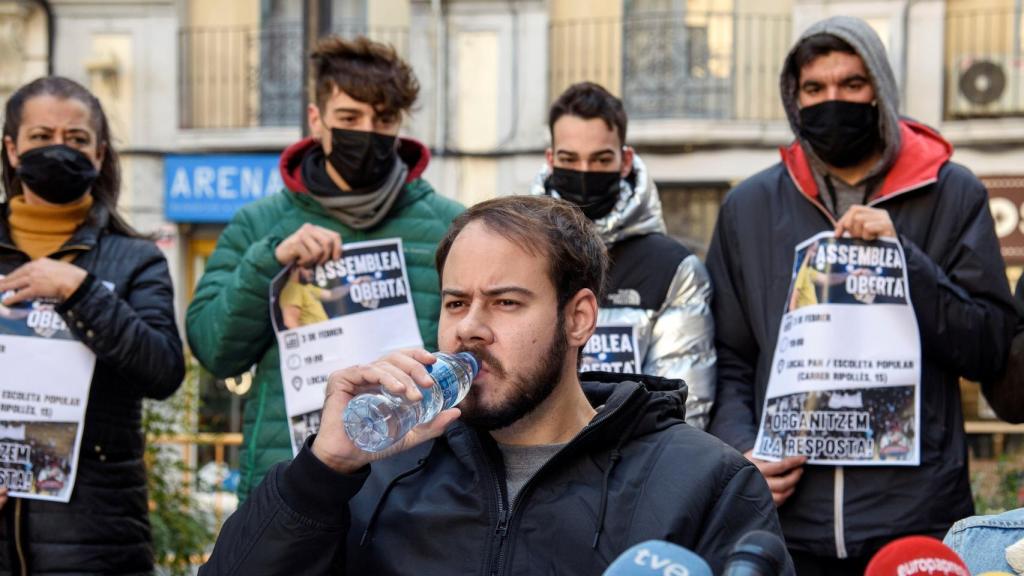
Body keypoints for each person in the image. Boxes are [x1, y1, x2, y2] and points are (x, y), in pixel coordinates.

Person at [198, 195, 791, 575]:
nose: (469, 329)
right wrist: (320, 472)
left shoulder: (702, 481)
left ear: (579, 317)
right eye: (456, 302)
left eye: (506, 302)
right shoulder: (374, 472)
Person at [705, 15, 1017, 574]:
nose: (834, 101)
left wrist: (905, 261)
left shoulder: (954, 192)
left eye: (853, 85)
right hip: (786, 527)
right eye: (815, 89)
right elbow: (730, 357)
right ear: (793, 99)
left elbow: (988, 346)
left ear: (881, 90)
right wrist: (742, 453)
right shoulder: (747, 208)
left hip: (918, 522)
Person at [186, 36, 464, 501]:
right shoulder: (261, 226)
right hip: (292, 481)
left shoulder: (451, 226)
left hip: (414, 486)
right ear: (316, 121)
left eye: (384, 120)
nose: (368, 133)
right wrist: (269, 263)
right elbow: (214, 349)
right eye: (350, 119)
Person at [0, 76, 184, 574]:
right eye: (41, 137)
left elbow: (164, 370)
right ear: (13, 150)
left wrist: (78, 292)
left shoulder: (137, 258)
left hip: (95, 534)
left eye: (76, 139)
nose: (59, 149)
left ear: (99, 154)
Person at [530, 82, 716, 429]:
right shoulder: (517, 257)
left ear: (625, 160)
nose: (584, 172)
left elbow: (684, 408)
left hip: (634, 472)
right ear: (551, 160)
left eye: (600, 159)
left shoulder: (672, 269)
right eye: (570, 159)